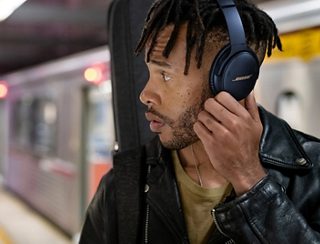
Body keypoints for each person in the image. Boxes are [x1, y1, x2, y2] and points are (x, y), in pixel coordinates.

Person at [79, 0, 320, 243]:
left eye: (165, 75)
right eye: (150, 72)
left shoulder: (313, 175)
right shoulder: (123, 186)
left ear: (231, 80)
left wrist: (251, 182)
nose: (145, 95)